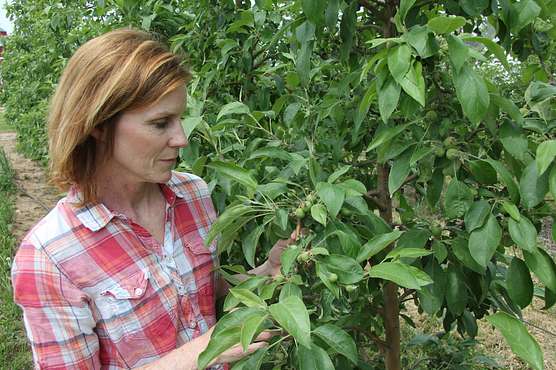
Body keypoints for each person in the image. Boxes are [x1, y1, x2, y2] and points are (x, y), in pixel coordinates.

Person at [11, 28, 294, 369]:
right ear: (98, 125)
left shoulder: (192, 194)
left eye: (179, 118)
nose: (182, 138)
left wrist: (267, 270)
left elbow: (199, 291)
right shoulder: (50, 258)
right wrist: (209, 349)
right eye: (161, 123)